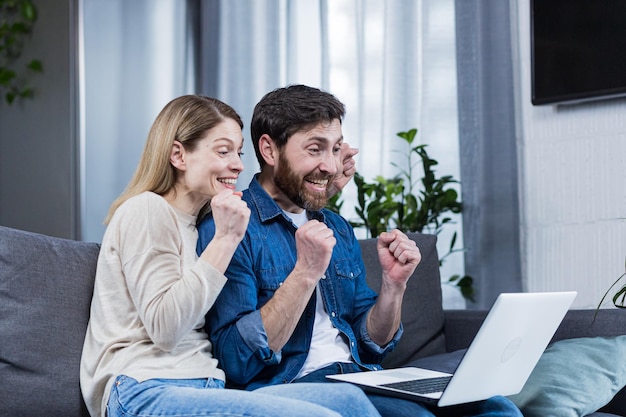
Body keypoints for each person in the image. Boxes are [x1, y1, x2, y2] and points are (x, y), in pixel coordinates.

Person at [197, 85, 523, 417]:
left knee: (497, 406)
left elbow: (372, 343)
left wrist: (394, 287)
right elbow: (237, 360)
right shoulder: (232, 226)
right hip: (293, 387)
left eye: (335, 149)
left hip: (363, 378)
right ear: (269, 149)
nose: (330, 166)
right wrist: (305, 273)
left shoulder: (336, 227)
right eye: (315, 149)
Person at [79, 94, 383, 417]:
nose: (238, 164)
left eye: (238, 152)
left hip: (206, 387)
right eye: (223, 151)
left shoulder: (197, 226)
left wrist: (320, 183)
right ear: (179, 155)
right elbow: (165, 330)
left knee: (351, 402)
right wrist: (226, 239)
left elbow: (274, 220)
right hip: (144, 388)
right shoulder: (147, 210)